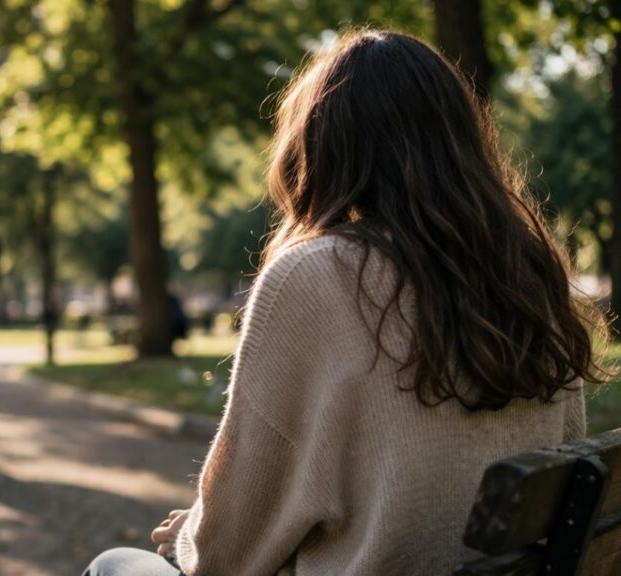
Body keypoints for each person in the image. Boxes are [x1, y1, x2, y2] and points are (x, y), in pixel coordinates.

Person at [84, 30, 606, 576]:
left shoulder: (317, 274)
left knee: (113, 564)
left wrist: (187, 538)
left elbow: (225, 555)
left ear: (321, 146)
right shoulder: (530, 273)